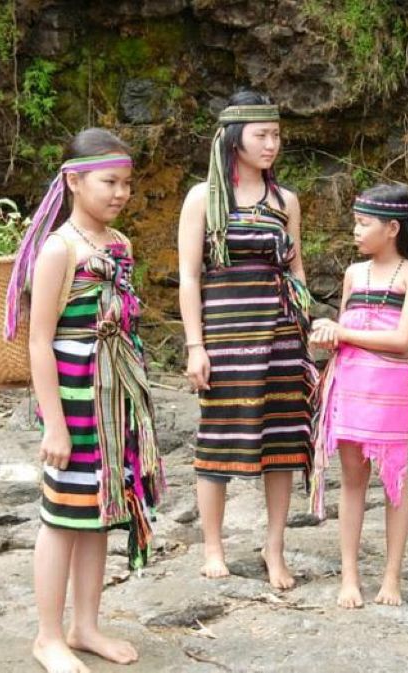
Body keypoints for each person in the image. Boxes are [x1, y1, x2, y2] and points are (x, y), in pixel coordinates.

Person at [6, 128, 165, 672]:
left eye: (126, 183)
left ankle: (86, 626)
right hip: (73, 401)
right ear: (74, 181)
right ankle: (48, 635)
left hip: (113, 401)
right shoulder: (60, 248)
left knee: (100, 510)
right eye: (109, 182)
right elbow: (39, 341)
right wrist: (54, 423)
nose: (120, 193)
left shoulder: (120, 244)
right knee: (61, 516)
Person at [177, 91, 315, 589]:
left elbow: (296, 270)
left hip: (280, 334)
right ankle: (213, 546)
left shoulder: (285, 201)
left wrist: (307, 328)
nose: (271, 144)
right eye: (262, 135)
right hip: (225, 334)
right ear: (235, 138)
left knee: (282, 441)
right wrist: (195, 346)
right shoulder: (203, 197)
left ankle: (274, 548)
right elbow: (190, 276)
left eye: (276, 135)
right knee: (218, 437)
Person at [308, 183, 408, 608]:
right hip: (350, 383)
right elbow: (344, 331)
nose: (356, 231)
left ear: (392, 228)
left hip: (388, 388)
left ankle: (391, 577)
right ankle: (349, 575)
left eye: (364, 224)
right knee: (352, 480)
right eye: (356, 222)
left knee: (394, 481)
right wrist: (328, 335)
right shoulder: (354, 273)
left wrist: (343, 332)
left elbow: (403, 340)